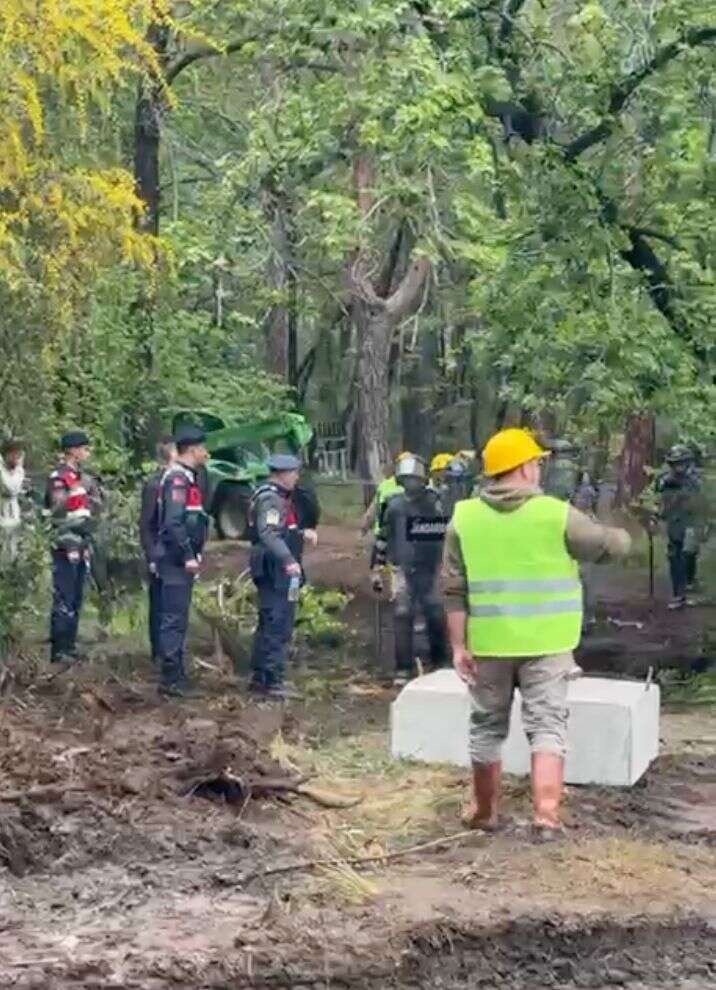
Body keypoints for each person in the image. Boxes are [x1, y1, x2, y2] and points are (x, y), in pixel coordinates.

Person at [443, 428, 631, 836]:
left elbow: (453, 590)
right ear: (525, 467)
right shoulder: (555, 513)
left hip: (488, 645)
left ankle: (485, 813)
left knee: (486, 727)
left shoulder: (464, 517)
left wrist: (459, 646)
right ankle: (546, 816)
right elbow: (607, 546)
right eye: (537, 463)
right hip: (548, 644)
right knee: (547, 726)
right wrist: (621, 534)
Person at [373, 453, 449, 686]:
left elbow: (446, 537)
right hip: (401, 567)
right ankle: (403, 668)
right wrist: (376, 567)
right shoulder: (393, 505)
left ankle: (440, 663)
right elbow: (383, 538)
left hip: (431, 566)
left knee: (434, 612)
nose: (411, 484)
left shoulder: (435, 503)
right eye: (406, 480)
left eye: (414, 479)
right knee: (402, 613)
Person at [248, 454, 317, 699]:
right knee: (277, 622)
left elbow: (280, 530)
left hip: (276, 568)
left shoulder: (278, 497)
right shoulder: (271, 499)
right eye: (294, 473)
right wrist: (288, 561)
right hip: (275, 569)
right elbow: (268, 533)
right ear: (281, 474)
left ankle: (262, 677)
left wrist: (300, 533)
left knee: (272, 620)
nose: (297, 477)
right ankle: (272, 680)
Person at [155, 425, 209, 696]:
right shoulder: (177, 479)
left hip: (180, 560)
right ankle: (171, 679)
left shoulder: (188, 477)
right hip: (175, 560)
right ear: (193, 449)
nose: (206, 453)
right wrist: (188, 554)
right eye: (203, 448)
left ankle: (177, 674)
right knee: (173, 619)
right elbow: (173, 523)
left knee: (178, 618)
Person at [45, 431, 95, 663]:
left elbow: (90, 507)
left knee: (76, 597)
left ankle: (71, 645)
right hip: (65, 543)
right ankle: (60, 648)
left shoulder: (82, 476)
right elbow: (56, 510)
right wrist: (73, 491)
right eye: (84, 447)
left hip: (82, 541)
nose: (87, 451)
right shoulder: (59, 477)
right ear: (72, 450)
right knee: (64, 595)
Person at [654, 444, 707, 609]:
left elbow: (704, 502)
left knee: (689, 553)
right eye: (675, 463)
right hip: (674, 522)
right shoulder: (664, 480)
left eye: (682, 463)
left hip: (693, 522)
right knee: (675, 556)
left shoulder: (696, 479)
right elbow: (657, 501)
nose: (679, 467)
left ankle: (689, 583)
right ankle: (679, 594)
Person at [139, 435, 177, 663]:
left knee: (171, 605)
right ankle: (159, 651)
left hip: (174, 554)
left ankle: (169, 650)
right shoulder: (156, 484)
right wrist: (152, 555)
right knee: (159, 603)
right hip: (159, 553)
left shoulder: (178, 481)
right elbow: (146, 523)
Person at [0, 439, 25, 564]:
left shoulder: (15, 470)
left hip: (12, 516)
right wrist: (19, 469)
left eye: (19, 454)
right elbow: (10, 488)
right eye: (14, 454)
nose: (17, 458)